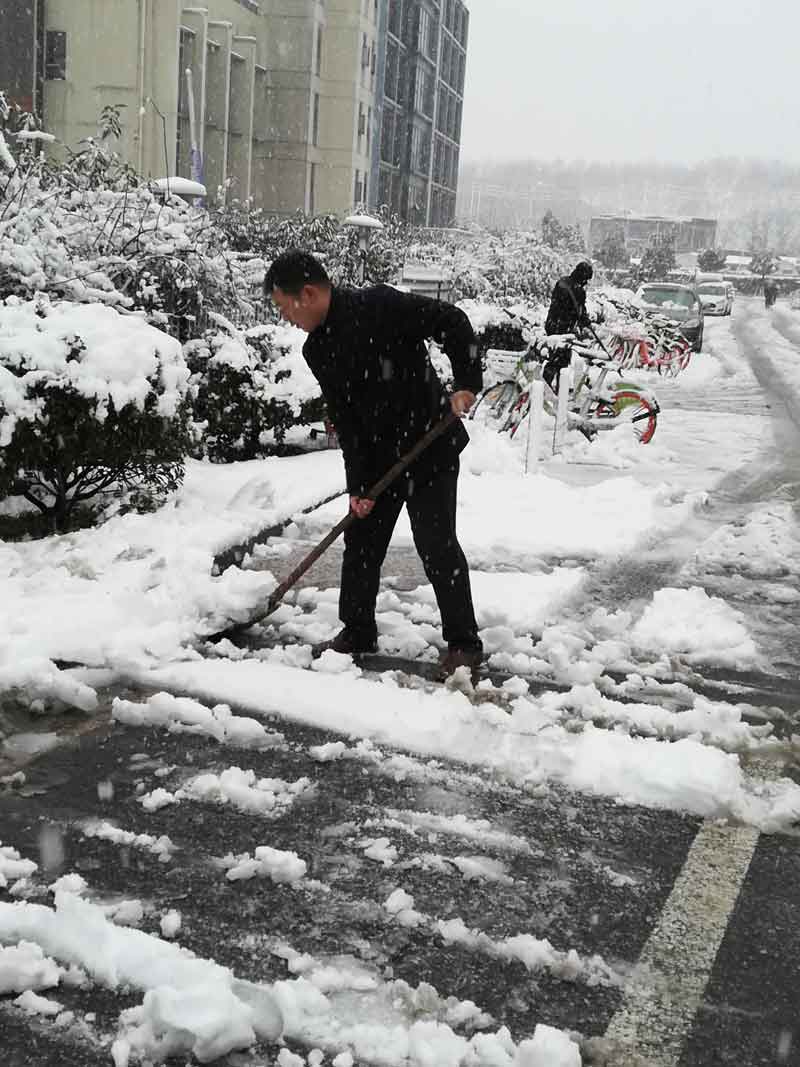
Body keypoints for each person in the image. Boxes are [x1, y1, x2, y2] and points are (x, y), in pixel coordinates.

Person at [263, 249, 484, 677]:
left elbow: (452, 321)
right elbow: (346, 422)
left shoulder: (380, 306)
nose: (285, 317)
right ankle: (358, 630)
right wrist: (357, 488)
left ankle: (464, 643)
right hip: (380, 462)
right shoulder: (317, 350)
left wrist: (467, 382)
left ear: (307, 294)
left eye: (284, 307)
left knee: (436, 545)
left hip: (428, 448)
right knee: (361, 544)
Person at [542, 260, 594, 391]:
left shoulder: (564, 283)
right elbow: (574, 309)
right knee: (558, 361)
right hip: (560, 328)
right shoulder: (571, 288)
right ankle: (548, 389)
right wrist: (583, 320)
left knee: (558, 360)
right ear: (581, 275)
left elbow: (579, 309)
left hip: (556, 326)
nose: (586, 282)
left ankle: (553, 388)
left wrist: (584, 320)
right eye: (586, 279)